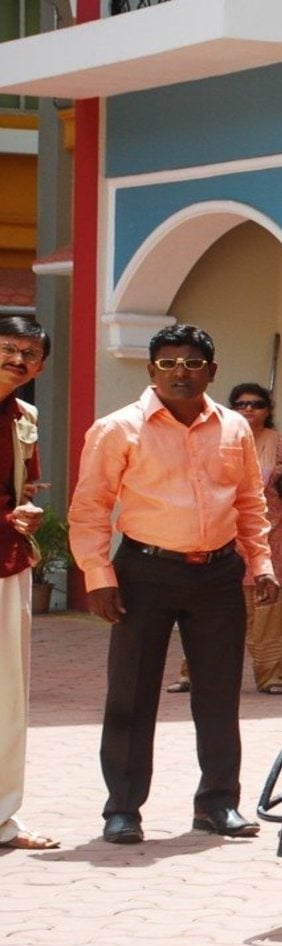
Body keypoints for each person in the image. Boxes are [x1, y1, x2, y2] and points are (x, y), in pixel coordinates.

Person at [70, 324, 279, 844]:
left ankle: (217, 804)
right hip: (144, 572)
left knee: (219, 693)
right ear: (151, 371)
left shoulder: (234, 427)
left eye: (191, 363)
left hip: (218, 573)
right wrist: (98, 575)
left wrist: (261, 562)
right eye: (167, 363)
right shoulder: (118, 428)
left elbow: (250, 501)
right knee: (132, 694)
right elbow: (90, 506)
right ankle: (123, 808)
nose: (179, 372)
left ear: (212, 370)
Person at [167, 383, 282, 695]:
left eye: (256, 404)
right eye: (241, 404)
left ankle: (273, 677)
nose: (249, 409)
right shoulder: (216, 442)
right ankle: (194, 674)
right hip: (223, 544)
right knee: (211, 612)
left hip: (274, 542)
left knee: (271, 615)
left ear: (268, 410)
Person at [0, 315, 56, 849]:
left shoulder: (26, 417)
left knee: (8, 695)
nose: (18, 360)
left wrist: (26, 510)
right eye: (8, 348)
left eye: (30, 354)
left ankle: (2, 819)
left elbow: (23, 486)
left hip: (8, 563)